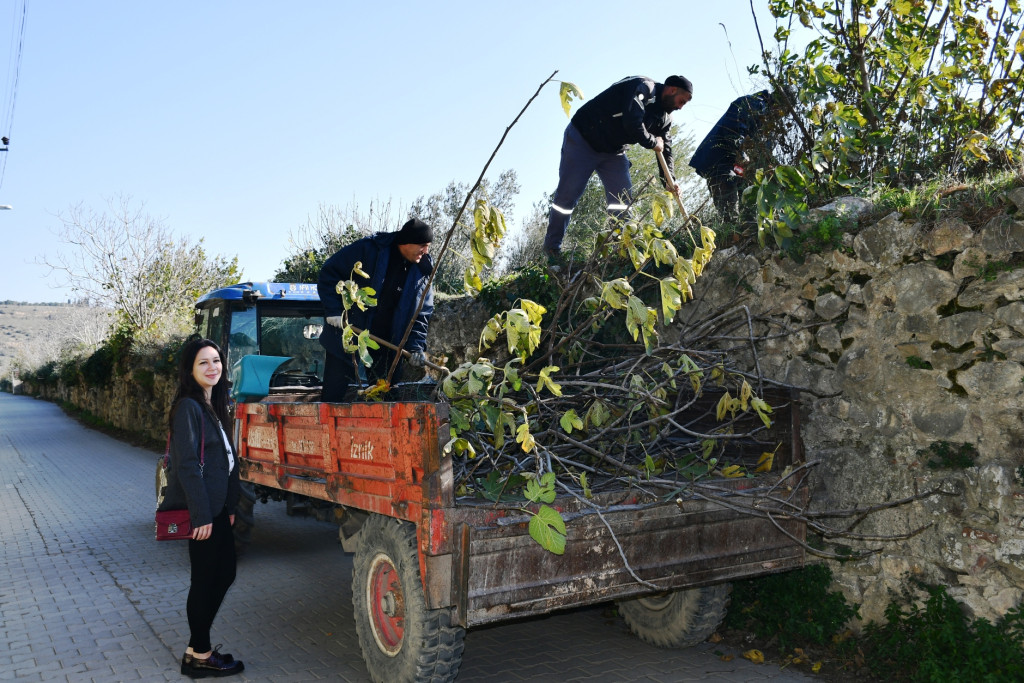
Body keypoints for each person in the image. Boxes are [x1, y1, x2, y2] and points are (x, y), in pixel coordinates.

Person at [543, 74, 694, 259]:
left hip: (614, 152)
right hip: (583, 139)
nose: (680, 107)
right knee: (567, 196)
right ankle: (552, 248)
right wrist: (653, 141)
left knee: (622, 201)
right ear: (672, 90)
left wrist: (669, 182)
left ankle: (624, 251)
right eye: (681, 101)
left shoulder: (665, 118)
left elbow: (666, 149)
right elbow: (632, 122)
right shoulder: (643, 88)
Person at [162, 338, 244, 678]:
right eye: (203, 363)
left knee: (224, 574)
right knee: (205, 579)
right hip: (204, 513)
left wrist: (231, 504)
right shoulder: (188, 408)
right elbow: (186, 466)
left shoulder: (212, 404)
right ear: (189, 370)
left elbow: (225, 461)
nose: (213, 368)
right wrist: (200, 515)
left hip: (218, 508)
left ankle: (197, 649)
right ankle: (200, 654)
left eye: (216, 361)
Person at [317, 218, 435, 401]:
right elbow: (329, 273)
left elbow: (422, 314)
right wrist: (333, 310)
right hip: (348, 335)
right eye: (423, 245)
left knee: (386, 399)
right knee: (334, 396)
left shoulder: (423, 271)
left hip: (387, 346)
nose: (426, 251)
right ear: (406, 242)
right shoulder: (369, 250)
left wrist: (416, 346)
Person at [689, 89, 779, 225]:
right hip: (719, 159)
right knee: (728, 208)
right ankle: (731, 234)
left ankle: (748, 231)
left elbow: (765, 149)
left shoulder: (770, 122)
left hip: (739, 166)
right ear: (777, 103)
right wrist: (742, 152)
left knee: (750, 204)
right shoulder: (753, 103)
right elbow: (734, 128)